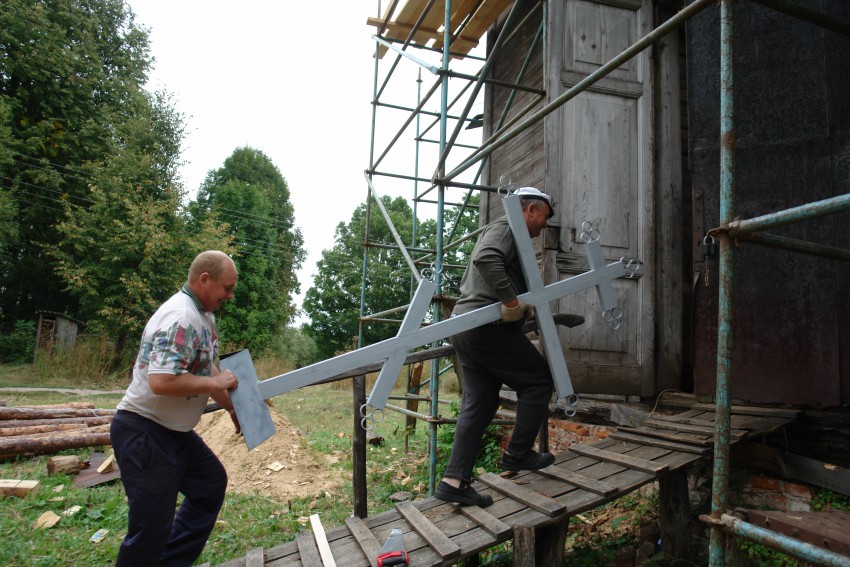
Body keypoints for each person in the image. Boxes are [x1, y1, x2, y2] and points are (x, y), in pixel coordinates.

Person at [110, 250, 241, 566]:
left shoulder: (204, 318)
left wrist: (232, 408)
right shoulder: (181, 318)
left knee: (209, 485)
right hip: (145, 431)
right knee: (150, 529)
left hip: (175, 434)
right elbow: (162, 382)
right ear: (204, 280)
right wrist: (215, 385)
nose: (230, 295)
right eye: (226, 287)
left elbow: (207, 371)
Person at [435, 187, 557, 508]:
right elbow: (486, 258)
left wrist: (519, 305)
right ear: (530, 209)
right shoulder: (508, 226)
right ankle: (518, 453)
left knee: (481, 404)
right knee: (539, 381)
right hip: (484, 327)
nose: (543, 227)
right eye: (543, 218)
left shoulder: (508, 231)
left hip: (466, 326)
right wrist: (512, 300)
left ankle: (453, 481)